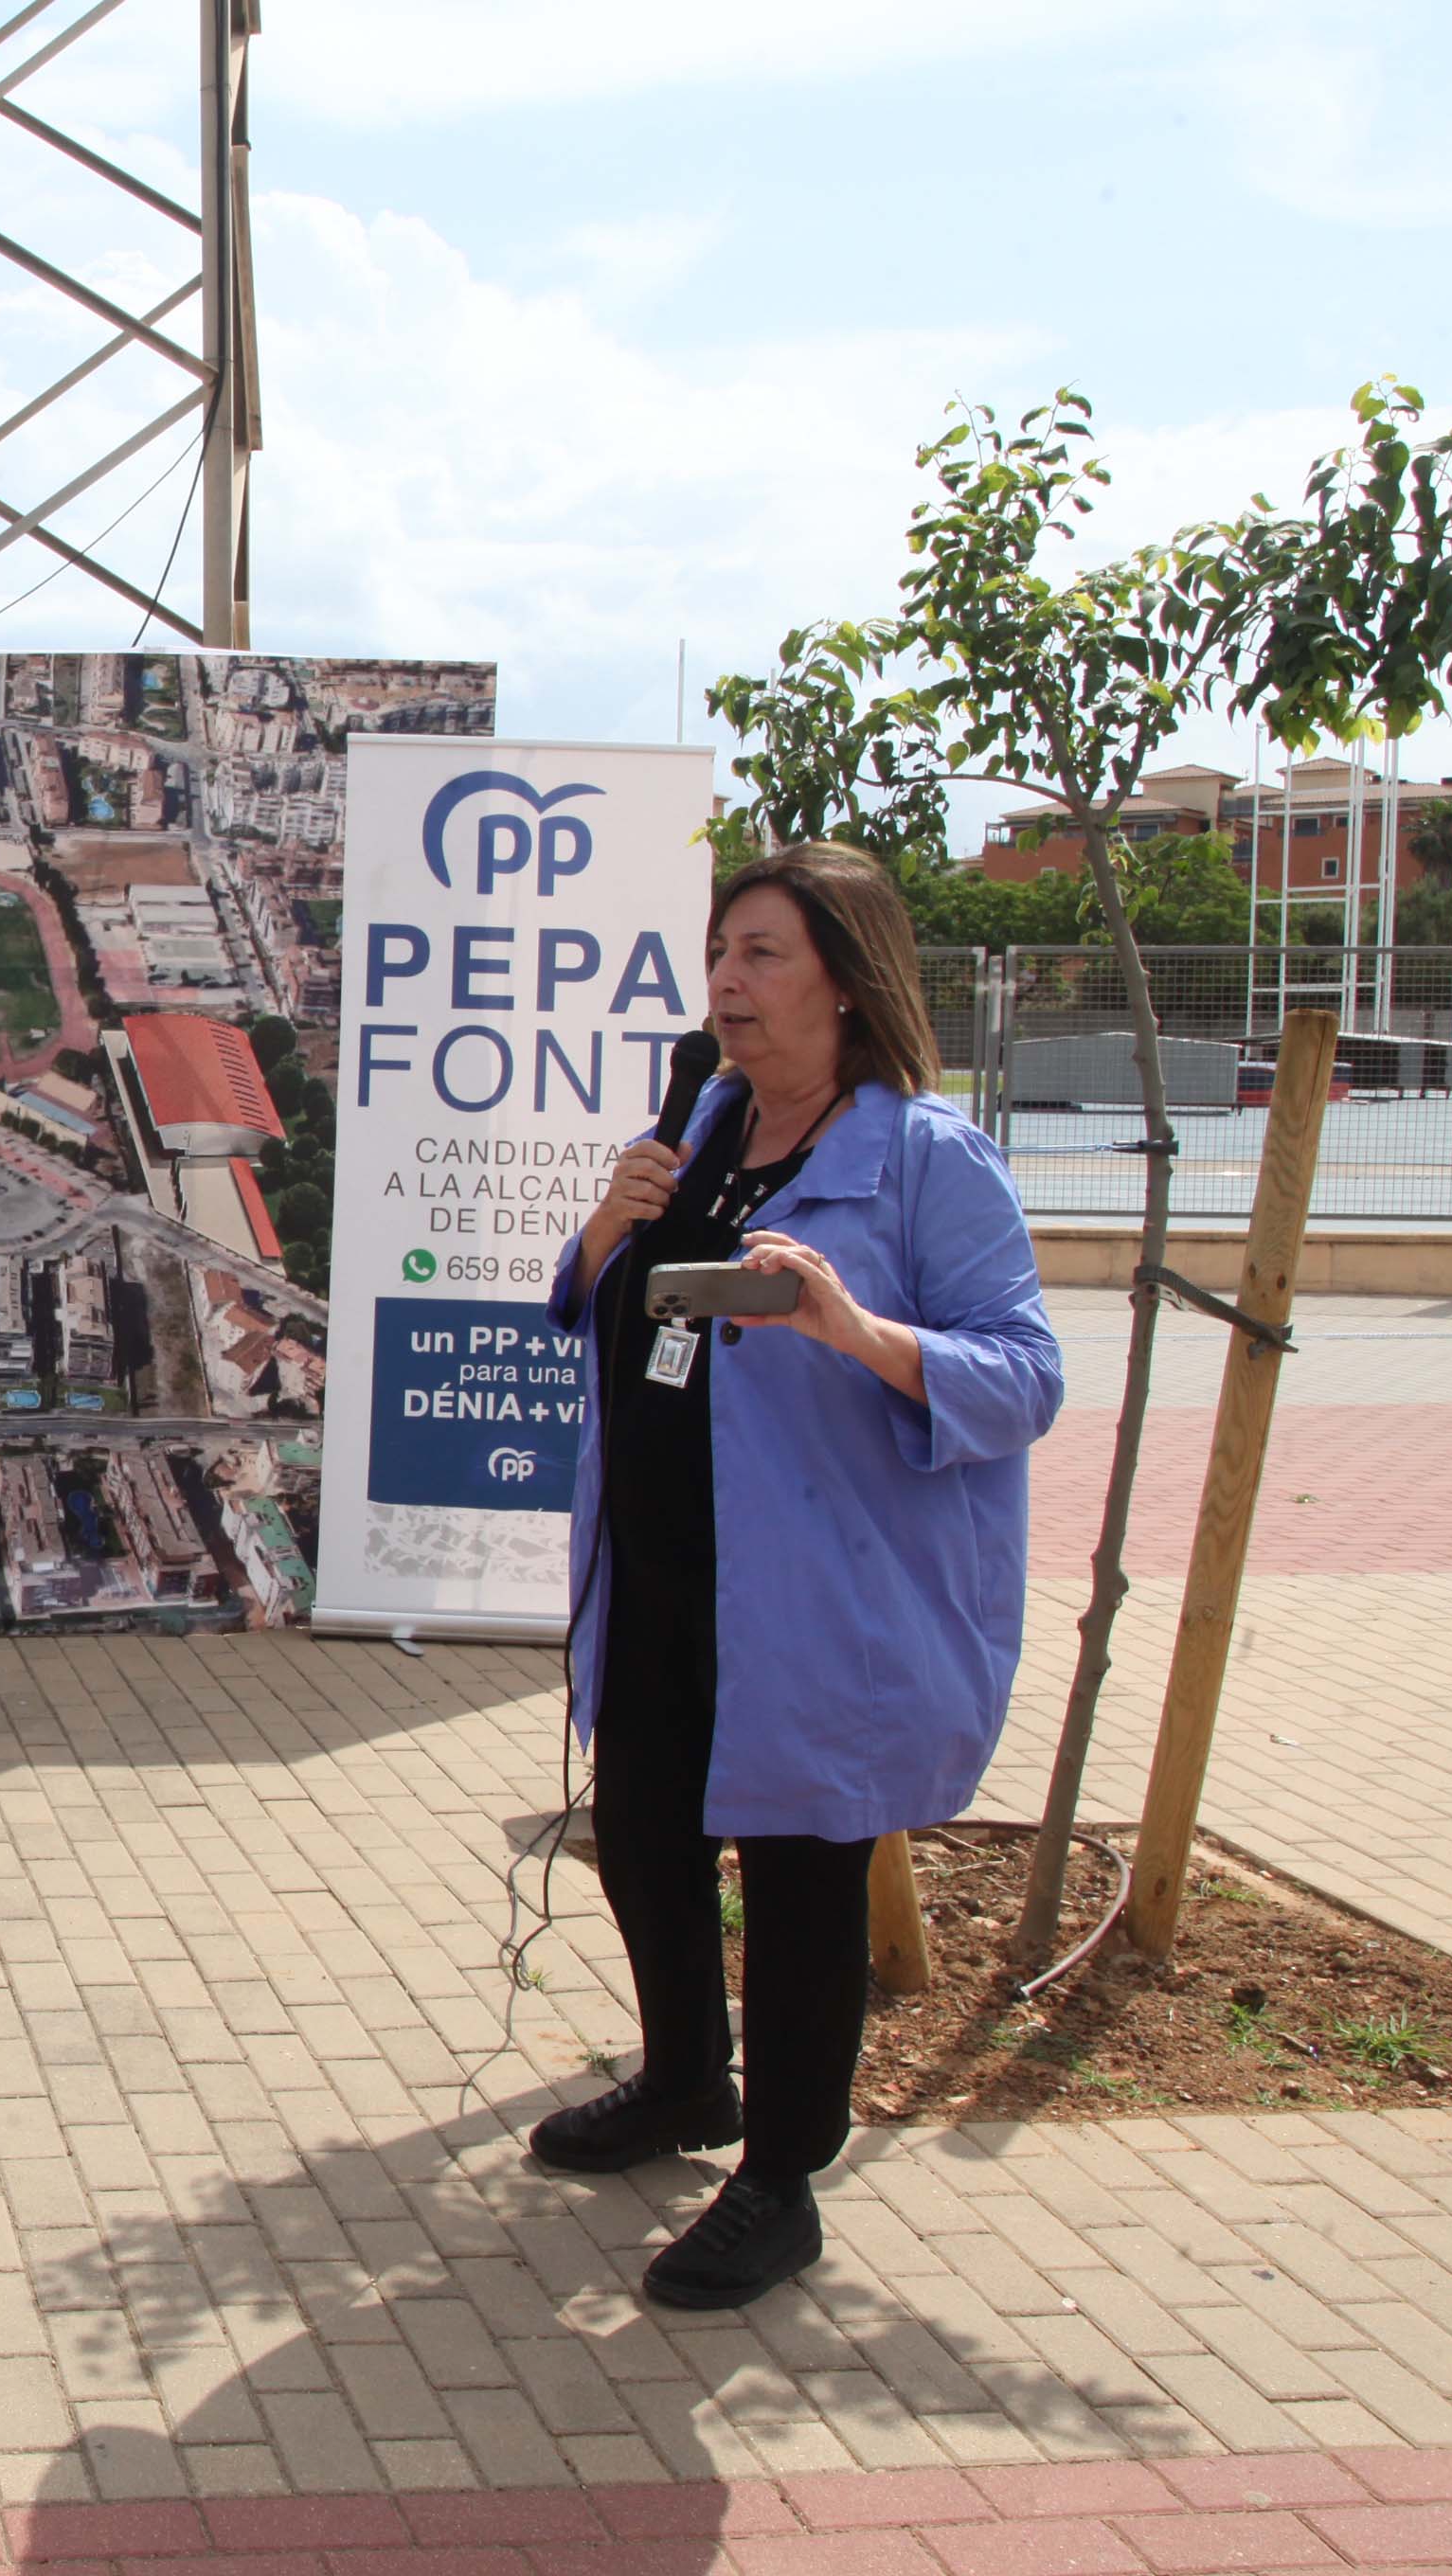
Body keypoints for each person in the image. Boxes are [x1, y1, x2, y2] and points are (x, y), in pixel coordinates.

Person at [535, 843, 1062, 2308]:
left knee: (798, 1874)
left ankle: (780, 2180)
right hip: (653, 1573)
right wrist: (606, 1226)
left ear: (846, 977)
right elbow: (593, 1309)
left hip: (810, 1594)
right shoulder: (701, 1124)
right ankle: (686, 2083)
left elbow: (1023, 1376)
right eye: (719, 955)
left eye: (762, 955)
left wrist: (848, 1327)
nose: (728, 983)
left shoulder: (921, 1159)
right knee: (642, 1834)